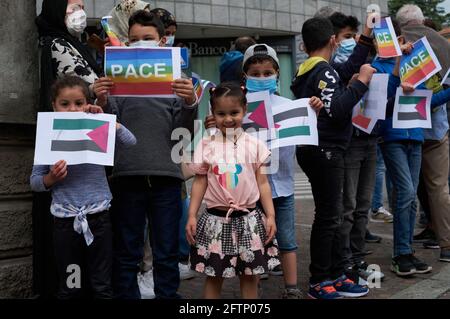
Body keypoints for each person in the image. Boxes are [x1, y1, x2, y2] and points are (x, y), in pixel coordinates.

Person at [93, 10, 198, 299]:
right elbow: (110, 130)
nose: (141, 43)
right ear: (126, 43)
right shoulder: (116, 81)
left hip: (166, 178)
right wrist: (101, 101)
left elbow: (184, 134)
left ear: (162, 41)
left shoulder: (178, 82)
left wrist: (190, 102)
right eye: (135, 39)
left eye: (148, 39)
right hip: (127, 175)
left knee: (166, 253)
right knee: (127, 251)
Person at [291, 17, 375, 299]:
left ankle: (337, 275)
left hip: (316, 149)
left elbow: (346, 70)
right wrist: (361, 83)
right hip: (326, 150)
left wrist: (365, 38)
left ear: (304, 45)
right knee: (328, 217)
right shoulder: (323, 71)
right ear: (332, 41)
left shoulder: (308, 68)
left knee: (334, 215)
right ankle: (319, 280)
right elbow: (338, 108)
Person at [30, 76, 136, 299]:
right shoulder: (49, 135)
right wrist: (51, 178)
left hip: (99, 220)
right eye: (65, 104)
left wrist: (108, 121)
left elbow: (130, 141)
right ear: (54, 106)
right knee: (71, 285)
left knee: (102, 284)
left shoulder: (96, 129)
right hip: (65, 224)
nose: (72, 109)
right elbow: (35, 182)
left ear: (88, 103)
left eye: (79, 103)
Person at [186, 82, 279, 299]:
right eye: (221, 113)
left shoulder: (255, 145)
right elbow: (200, 182)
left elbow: (263, 183)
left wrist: (271, 215)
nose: (228, 119)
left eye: (234, 112)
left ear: (245, 110)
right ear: (213, 113)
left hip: (249, 220)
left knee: (249, 276)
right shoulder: (206, 144)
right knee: (213, 275)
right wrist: (191, 214)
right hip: (215, 222)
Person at [34, 0, 102, 298]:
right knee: (69, 258)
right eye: (73, 5)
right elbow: (83, 86)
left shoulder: (77, 43)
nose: (80, 11)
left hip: (90, 148)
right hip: (67, 144)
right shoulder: (56, 44)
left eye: (82, 5)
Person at [397, 4, 450, 263]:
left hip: (404, 130)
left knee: (406, 190)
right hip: (435, 129)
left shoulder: (394, 46)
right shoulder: (442, 43)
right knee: (438, 188)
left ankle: (403, 251)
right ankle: (446, 244)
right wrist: (429, 103)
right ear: (421, 20)